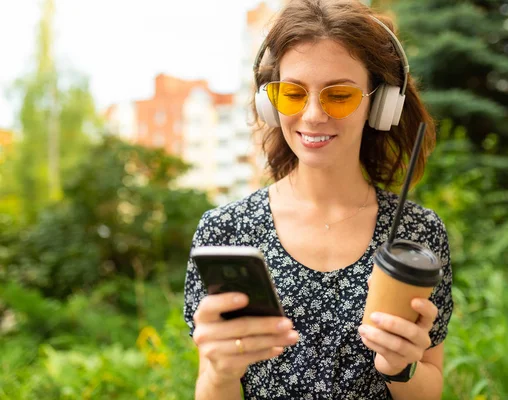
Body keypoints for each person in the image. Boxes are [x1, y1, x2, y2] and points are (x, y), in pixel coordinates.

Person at [183, 0, 453, 398]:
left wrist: (400, 369)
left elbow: (430, 384)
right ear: (269, 103)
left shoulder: (418, 235)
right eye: (293, 94)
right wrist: (220, 375)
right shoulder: (225, 231)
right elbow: (211, 386)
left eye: (339, 95)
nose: (311, 116)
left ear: (379, 106)